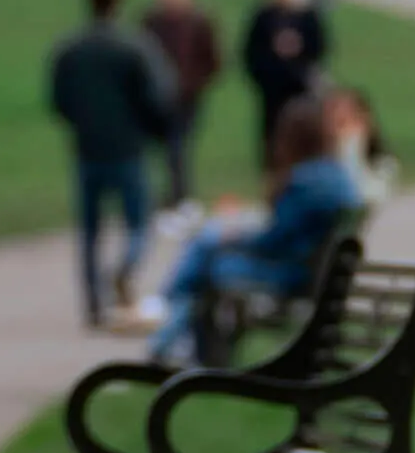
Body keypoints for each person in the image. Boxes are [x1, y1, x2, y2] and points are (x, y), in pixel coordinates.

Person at [148, 98, 364, 366]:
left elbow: (273, 241)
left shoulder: (304, 182)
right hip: (310, 270)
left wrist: (235, 237)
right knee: (208, 249)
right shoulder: (336, 177)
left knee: (207, 256)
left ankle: (171, 333)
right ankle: (173, 335)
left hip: (291, 274)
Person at [48, 0, 174, 327]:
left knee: (90, 229)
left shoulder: (70, 49)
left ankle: (92, 304)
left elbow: (58, 100)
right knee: (139, 223)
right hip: (128, 148)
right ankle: (124, 269)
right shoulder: (135, 47)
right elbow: (158, 97)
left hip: (87, 149)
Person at [140, 0, 220, 210]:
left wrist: (192, 85)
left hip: (185, 100)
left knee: (177, 149)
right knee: (154, 150)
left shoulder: (199, 21)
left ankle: (179, 198)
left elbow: (212, 61)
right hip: (155, 99)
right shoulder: (151, 21)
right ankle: (156, 197)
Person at [242, 0, 328, 172]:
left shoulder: (308, 18)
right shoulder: (264, 17)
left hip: (300, 92)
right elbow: (251, 53)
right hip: (272, 93)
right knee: (272, 138)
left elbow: (318, 51)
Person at [324, 85, 399, 208]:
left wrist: (351, 148)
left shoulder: (383, 166)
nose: (343, 133)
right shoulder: (317, 171)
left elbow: (364, 197)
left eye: (346, 122)